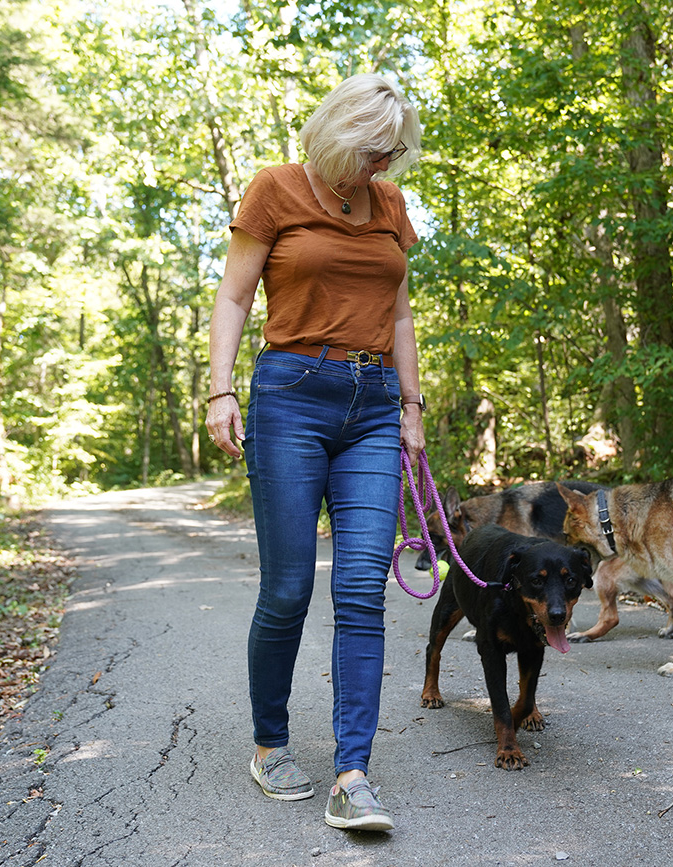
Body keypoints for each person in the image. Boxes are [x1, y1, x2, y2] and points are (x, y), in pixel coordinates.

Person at [204, 73, 425, 833]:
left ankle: (353, 772)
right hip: (290, 394)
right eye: (371, 152)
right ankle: (270, 743)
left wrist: (412, 407)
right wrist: (220, 389)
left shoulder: (390, 207)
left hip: (372, 405)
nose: (381, 170)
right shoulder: (276, 190)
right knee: (291, 587)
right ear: (337, 135)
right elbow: (233, 296)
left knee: (363, 589)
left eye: (391, 155)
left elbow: (399, 313)